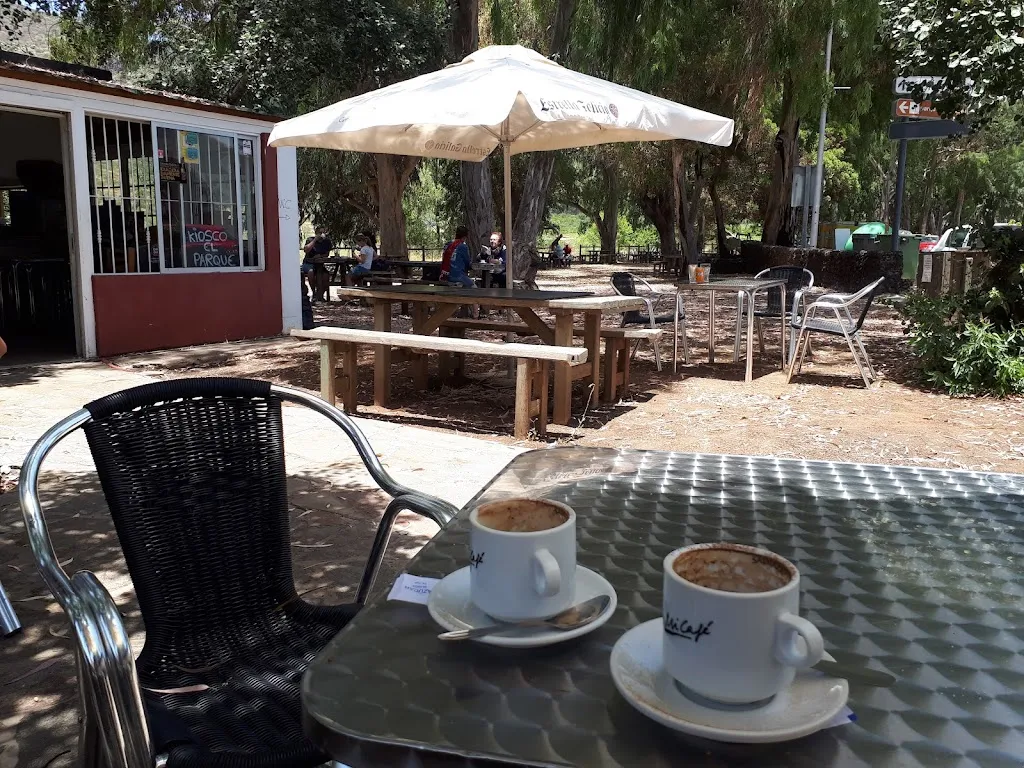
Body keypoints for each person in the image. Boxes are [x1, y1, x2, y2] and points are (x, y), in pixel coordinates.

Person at [302, 228, 333, 302]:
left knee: (325, 276)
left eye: (323, 232)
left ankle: (320, 295)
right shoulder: (310, 239)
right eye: (320, 232)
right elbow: (306, 250)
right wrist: (315, 240)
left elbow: (327, 253)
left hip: (319, 264)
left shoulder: (327, 241)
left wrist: (321, 256)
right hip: (308, 263)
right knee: (311, 272)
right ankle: (314, 293)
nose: (322, 234)